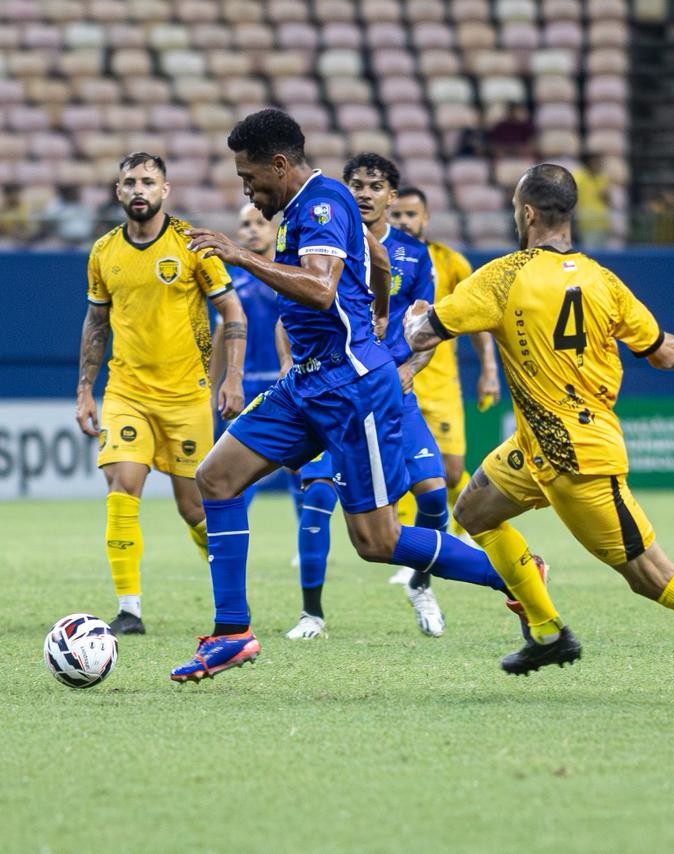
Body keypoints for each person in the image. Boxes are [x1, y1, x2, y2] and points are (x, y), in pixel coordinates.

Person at [403, 164, 674, 708]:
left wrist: (415, 317)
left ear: (526, 212)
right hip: (535, 448)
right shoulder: (602, 281)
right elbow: (667, 353)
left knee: (650, 575)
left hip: (580, 460)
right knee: (476, 513)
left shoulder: (502, 276)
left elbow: (424, 333)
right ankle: (547, 633)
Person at [175, 109, 519, 681]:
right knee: (215, 477)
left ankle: (511, 574)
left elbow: (320, 287)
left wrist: (242, 256)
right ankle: (232, 632)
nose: (246, 188)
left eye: (248, 176)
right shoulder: (305, 208)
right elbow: (379, 260)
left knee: (376, 541)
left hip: (351, 386)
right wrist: (380, 308)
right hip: (306, 382)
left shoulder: (321, 205)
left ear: (279, 165)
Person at [282, 153, 524, 642]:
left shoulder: (417, 257)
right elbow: (293, 311)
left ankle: (420, 582)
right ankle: (312, 614)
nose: (365, 193)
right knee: (318, 500)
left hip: (388, 388)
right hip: (331, 387)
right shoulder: (324, 238)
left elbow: (426, 327)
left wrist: (411, 368)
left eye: (375, 186)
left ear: (393, 196)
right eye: (356, 185)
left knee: (436, 491)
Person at [75, 152, 246, 636]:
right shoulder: (104, 252)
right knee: (122, 487)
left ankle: (228, 595)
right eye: (129, 181)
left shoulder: (192, 245)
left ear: (165, 190)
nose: (138, 189)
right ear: (117, 191)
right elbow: (96, 322)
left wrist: (231, 378)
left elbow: (233, 314)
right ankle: (129, 609)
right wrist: (85, 390)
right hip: (127, 390)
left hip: (186, 395)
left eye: (148, 181)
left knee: (194, 508)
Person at [388, 187, 501, 545]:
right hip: (397, 377)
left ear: (426, 218)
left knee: (451, 472)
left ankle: (462, 522)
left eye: (411, 214)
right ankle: (409, 542)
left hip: (441, 382)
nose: (404, 220)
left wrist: (489, 370)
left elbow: (478, 321)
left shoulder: (452, 263)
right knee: (402, 466)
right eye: (398, 214)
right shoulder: (381, 256)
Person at [212, 204, 305, 514]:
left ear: (274, 230)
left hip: (290, 383)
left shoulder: (290, 273)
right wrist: (211, 386)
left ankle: (305, 544)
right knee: (238, 471)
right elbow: (221, 335)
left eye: (259, 222)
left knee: (300, 468)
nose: (252, 229)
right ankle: (230, 537)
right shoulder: (229, 280)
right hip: (247, 386)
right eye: (245, 224)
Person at [571, 154, 612, 249]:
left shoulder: (603, 177)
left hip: (601, 220)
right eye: (595, 162)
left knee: (601, 252)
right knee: (589, 251)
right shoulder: (579, 176)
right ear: (589, 162)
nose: (598, 164)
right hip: (585, 221)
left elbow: (608, 200)